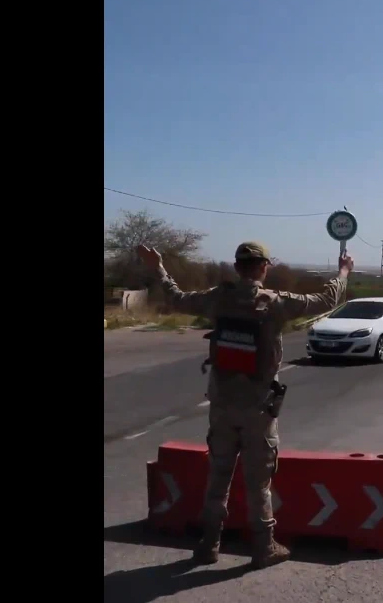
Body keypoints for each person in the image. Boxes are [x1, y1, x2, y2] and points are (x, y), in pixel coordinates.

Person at [137, 241, 353, 569]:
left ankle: (209, 545)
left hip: (222, 406)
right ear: (264, 267)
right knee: (258, 482)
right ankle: (264, 546)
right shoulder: (275, 304)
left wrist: (158, 268)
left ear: (237, 268)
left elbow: (176, 297)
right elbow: (326, 299)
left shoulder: (218, 298)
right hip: (258, 408)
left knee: (218, 477)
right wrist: (343, 271)